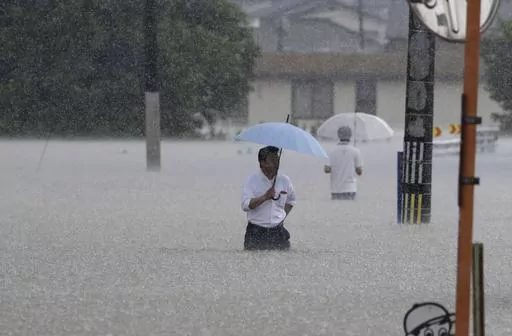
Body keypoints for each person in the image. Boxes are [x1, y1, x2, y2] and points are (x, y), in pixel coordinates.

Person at [241, 146, 296, 250]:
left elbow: (291, 200)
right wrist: (264, 197)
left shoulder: (284, 180)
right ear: (262, 162)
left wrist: (281, 217)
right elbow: (245, 205)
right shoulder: (252, 180)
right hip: (256, 232)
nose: (277, 162)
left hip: (278, 232)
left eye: (277, 158)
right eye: (272, 159)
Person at [323, 126, 363, 200]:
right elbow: (359, 172)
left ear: (338, 135)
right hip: (351, 188)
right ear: (350, 136)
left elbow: (326, 170)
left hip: (336, 188)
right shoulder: (356, 151)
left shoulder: (331, 151)